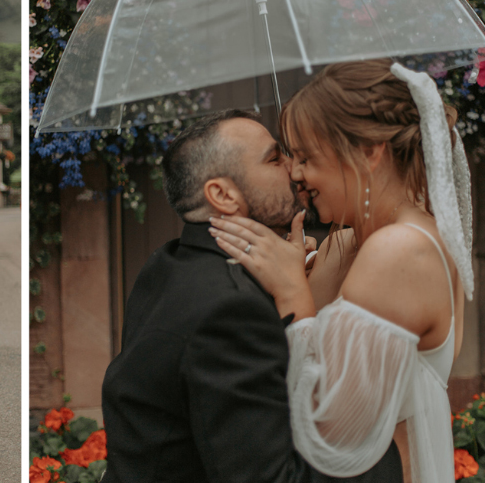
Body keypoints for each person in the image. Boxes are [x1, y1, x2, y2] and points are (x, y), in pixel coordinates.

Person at [100, 108, 403, 483]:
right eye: (276, 159)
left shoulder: (169, 263)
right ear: (223, 194)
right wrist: (383, 452)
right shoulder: (229, 309)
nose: (294, 170)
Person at [209, 60, 473, 482]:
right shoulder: (350, 242)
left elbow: (332, 436)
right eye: (291, 158)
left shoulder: (400, 250)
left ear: (369, 152)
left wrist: (293, 294)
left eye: (307, 157)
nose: (295, 174)